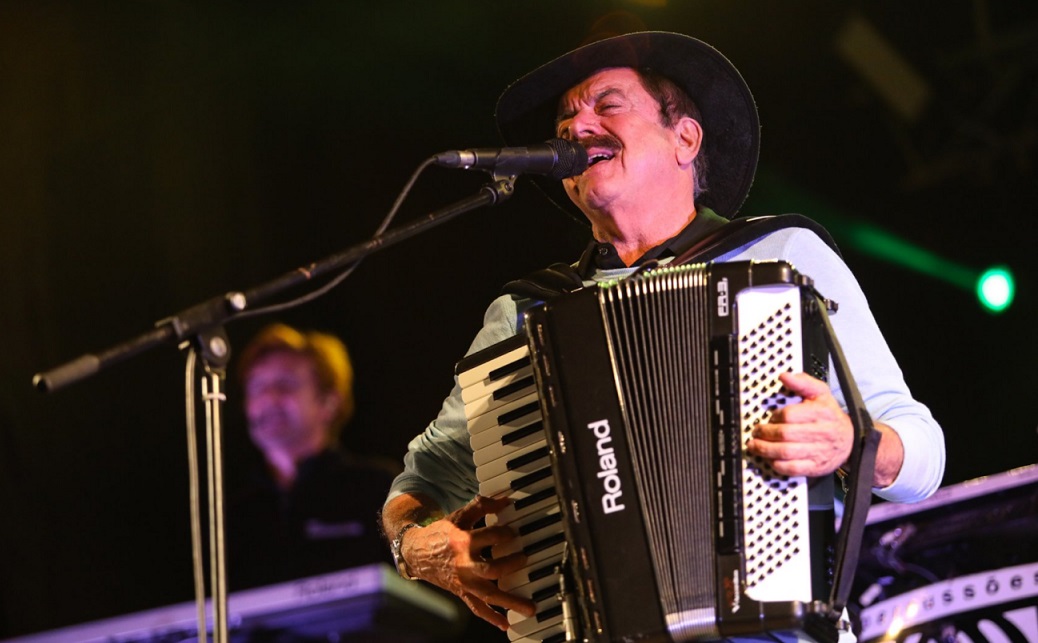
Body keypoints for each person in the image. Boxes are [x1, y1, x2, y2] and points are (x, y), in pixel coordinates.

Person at [380, 31, 946, 634]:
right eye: (565, 118)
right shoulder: (524, 313)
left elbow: (921, 452)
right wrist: (414, 547)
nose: (576, 126)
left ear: (685, 138)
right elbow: (428, 476)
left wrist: (850, 442)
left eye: (607, 104)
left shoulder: (780, 258)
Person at [227, 322, 398, 590]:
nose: (268, 399)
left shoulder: (380, 489)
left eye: (285, 386)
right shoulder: (230, 513)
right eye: (257, 387)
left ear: (329, 403)